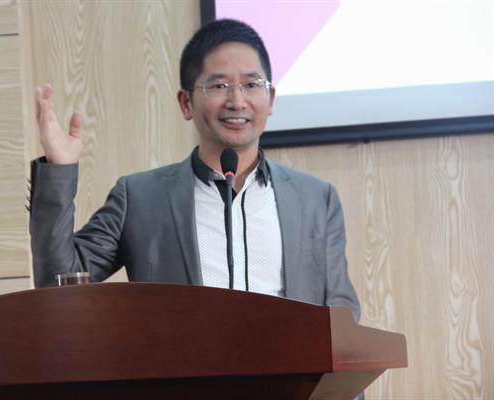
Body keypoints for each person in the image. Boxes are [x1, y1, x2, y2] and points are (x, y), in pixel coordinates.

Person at [29, 19, 360, 322]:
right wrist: (60, 171)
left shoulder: (316, 199)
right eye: (218, 86)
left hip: (290, 369)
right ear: (186, 103)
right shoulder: (140, 198)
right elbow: (58, 285)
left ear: (270, 98)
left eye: (251, 84)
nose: (237, 100)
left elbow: (341, 314)